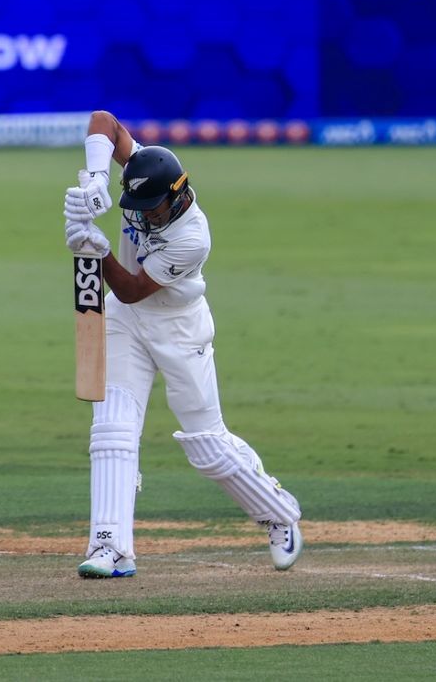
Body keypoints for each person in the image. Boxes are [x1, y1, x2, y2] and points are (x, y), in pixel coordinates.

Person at [61, 110, 303, 579]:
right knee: (111, 430)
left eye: (152, 209)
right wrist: (95, 182)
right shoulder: (142, 175)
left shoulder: (192, 237)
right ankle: (110, 547)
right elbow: (104, 121)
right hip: (126, 321)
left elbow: (132, 285)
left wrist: (97, 249)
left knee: (206, 447)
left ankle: (278, 512)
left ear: (176, 198)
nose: (145, 215)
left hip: (179, 329)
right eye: (139, 206)